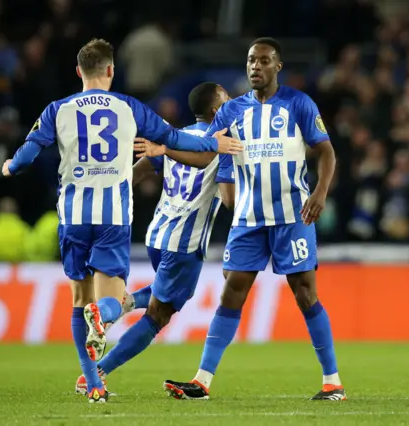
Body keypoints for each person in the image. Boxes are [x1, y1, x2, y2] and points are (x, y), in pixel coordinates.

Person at [1, 38, 242, 404]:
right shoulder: (130, 108)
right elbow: (175, 140)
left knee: (80, 301)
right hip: (121, 219)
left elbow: (28, 153)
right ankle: (111, 316)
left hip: (85, 218)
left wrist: (10, 166)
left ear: (79, 71)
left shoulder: (57, 109)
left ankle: (93, 378)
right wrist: (216, 147)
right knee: (133, 307)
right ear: (112, 70)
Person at [161, 38, 345, 401]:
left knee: (306, 294)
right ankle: (202, 381)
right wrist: (165, 148)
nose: (255, 67)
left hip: (293, 215)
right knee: (232, 292)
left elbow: (326, 151)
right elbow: (207, 154)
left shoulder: (299, 104)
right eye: (250, 61)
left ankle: (333, 382)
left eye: (263, 60)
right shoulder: (231, 113)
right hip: (248, 219)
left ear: (278, 66)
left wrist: (320, 192)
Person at [74, 82, 234, 395]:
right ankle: (96, 370)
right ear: (216, 110)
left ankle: (118, 306)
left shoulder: (175, 137)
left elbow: (140, 169)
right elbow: (229, 200)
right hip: (184, 243)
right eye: (226, 99)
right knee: (158, 316)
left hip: (157, 234)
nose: (231, 104)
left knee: (165, 294)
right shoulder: (221, 145)